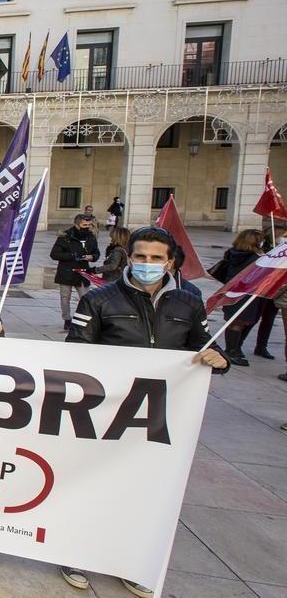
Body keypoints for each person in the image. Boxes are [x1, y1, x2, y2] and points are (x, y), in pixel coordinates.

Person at [64, 226, 228, 598]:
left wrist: (219, 359)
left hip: (160, 416)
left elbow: (204, 346)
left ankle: (130, 561)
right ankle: (74, 552)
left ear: (170, 261)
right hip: (106, 414)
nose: (148, 264)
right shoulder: (99, 299)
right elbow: (74, 355)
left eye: (157, 258)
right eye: (141, 257)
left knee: (144, 492)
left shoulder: (188, 302)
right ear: (129, 257)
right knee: (93, 485)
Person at [216, 230, 265, 367]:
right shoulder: (254, 258)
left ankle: (233, 349)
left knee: (233, 321)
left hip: (231, 292)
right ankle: (232, 352)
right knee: (238, 322)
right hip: (245, 293)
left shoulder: (232, 253)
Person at [50, 214, 99, 331]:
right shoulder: (65, 236)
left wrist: (91, 257)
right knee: (65, 297)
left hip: (83, 272)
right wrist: (72, 256)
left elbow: (96, 253)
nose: (87, 227)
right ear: (76, 224)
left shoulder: (91, 236)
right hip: (66, 271)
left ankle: (82, 319)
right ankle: (67, 319)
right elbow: (54, 254)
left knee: (85, 297)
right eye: (84, 225)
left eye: (89, 225)